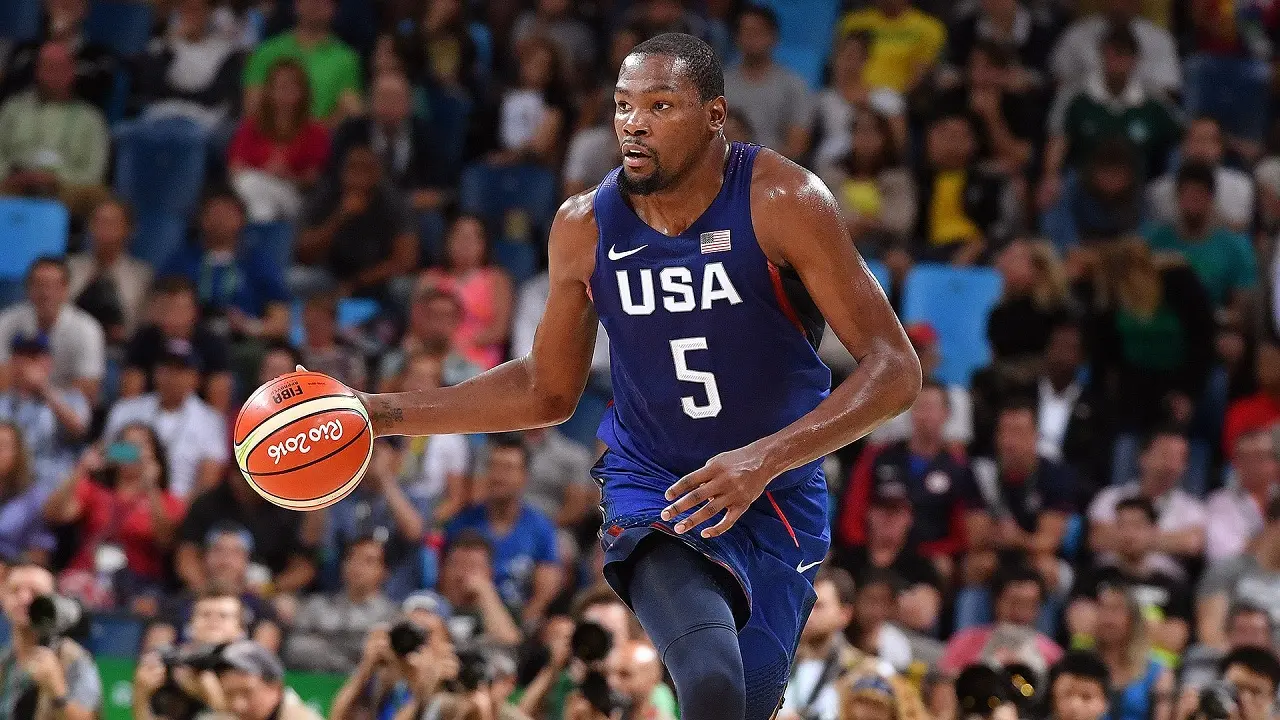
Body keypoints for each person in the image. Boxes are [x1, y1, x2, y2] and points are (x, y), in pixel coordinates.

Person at [303, 32, 920, 720]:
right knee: (710, 685)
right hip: (656, 483)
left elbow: (896, 370)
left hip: (776, 493)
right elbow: (546, 389)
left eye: (661, 105)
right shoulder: (584, 226)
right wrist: (376, 411)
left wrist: (761, 461)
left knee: (744, 706)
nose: (634, 122)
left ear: (715, 115)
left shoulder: (782, 198)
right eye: (624, 105)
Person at [0, 562, 101, 719]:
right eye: (15, 590)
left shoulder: (72, 658)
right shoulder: (5, 659)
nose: (24, 599)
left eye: (35, 592)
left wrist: (57, 689)